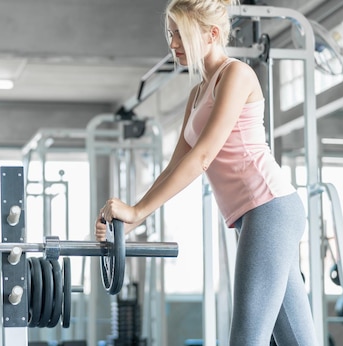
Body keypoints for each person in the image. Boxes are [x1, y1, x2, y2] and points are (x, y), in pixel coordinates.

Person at [95, 0, 319, 345]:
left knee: (247, 338)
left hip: (269, 207)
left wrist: (139, 210)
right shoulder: (198, 92)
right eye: (171, 35)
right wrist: (133, 218)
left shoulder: (237, 74)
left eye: (181, 36)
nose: (173, 45)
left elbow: (202, 157)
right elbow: (174, 166)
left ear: (212, 34)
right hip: (255, 214)